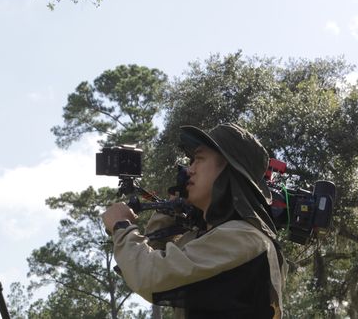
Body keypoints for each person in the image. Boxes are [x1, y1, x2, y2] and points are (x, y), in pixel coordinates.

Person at [101, 123, 287, 318]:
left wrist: (121, 226)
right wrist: (169, 213)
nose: (190, 170)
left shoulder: (244, 237)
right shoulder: (215, 238)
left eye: (199, 159)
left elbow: (149, 275)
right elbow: (150, 258)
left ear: (228, 171)